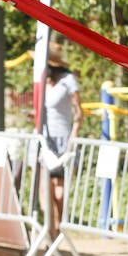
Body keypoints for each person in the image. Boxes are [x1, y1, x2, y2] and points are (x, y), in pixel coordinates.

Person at [42, 44, 82, 240]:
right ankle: (49, 231)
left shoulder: (68, 81)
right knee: (45, 188)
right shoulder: (42, 81)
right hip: (44, 139)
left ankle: (59, 227)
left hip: (63, 139)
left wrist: (74, 135)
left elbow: (78, 111)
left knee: (59, 191)